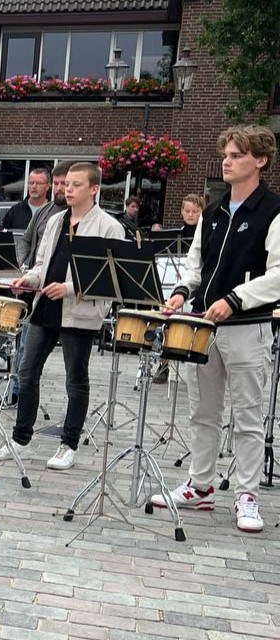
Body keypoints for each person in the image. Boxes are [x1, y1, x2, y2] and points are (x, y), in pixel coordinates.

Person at [151, 125, 280, 533]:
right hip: (202, 326)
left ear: (260, 161)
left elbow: (279, 273)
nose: (227, 161)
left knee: (247, 414)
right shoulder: (212, 211)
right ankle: (200, 485)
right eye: (226, 154)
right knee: (202, 412)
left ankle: (247, 495)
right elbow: (195, 264)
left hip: (248, 326)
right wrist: (179, 293)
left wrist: (235, 298)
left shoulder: (274, 211)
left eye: (237, 155)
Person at [0, 163, 124, 471]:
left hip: (80, 313)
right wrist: (28, 281)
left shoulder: (110, 227)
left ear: (94, 189)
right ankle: (20, 437)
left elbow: (112, 280)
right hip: (45, 306)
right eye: (65, 184)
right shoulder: (55, 220)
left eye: (75, 184)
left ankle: (69, 443)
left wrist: (71, 289)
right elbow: (41, 265)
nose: (67, 189)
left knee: (76, 379)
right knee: (26, 370)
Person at [2, 162, 72, 407]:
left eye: (68, 184)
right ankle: (19, 395)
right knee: (22, 347)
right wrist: (24, 267)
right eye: (60, 184)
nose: (63, 189)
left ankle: (70, 414)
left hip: (67, 298)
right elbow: (26, 240)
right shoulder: (46, 212)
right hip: (34, 288)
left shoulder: (78, 218)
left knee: (73, 368)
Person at [151, 193, 209, 385]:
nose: (190, 215)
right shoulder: (174, 236)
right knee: (169, 322)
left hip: (197, 285)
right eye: (187, 211)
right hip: (175, 283)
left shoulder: (207, 233)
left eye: (195, 211)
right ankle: (164, 363)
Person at [0, 168, 52, 266]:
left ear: (48, 186)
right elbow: (1, 239)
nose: (34, 186)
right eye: (31, 183)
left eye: (39, 183)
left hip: (43, 266)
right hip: (17, 265)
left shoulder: (53, 212)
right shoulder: (14, 211)